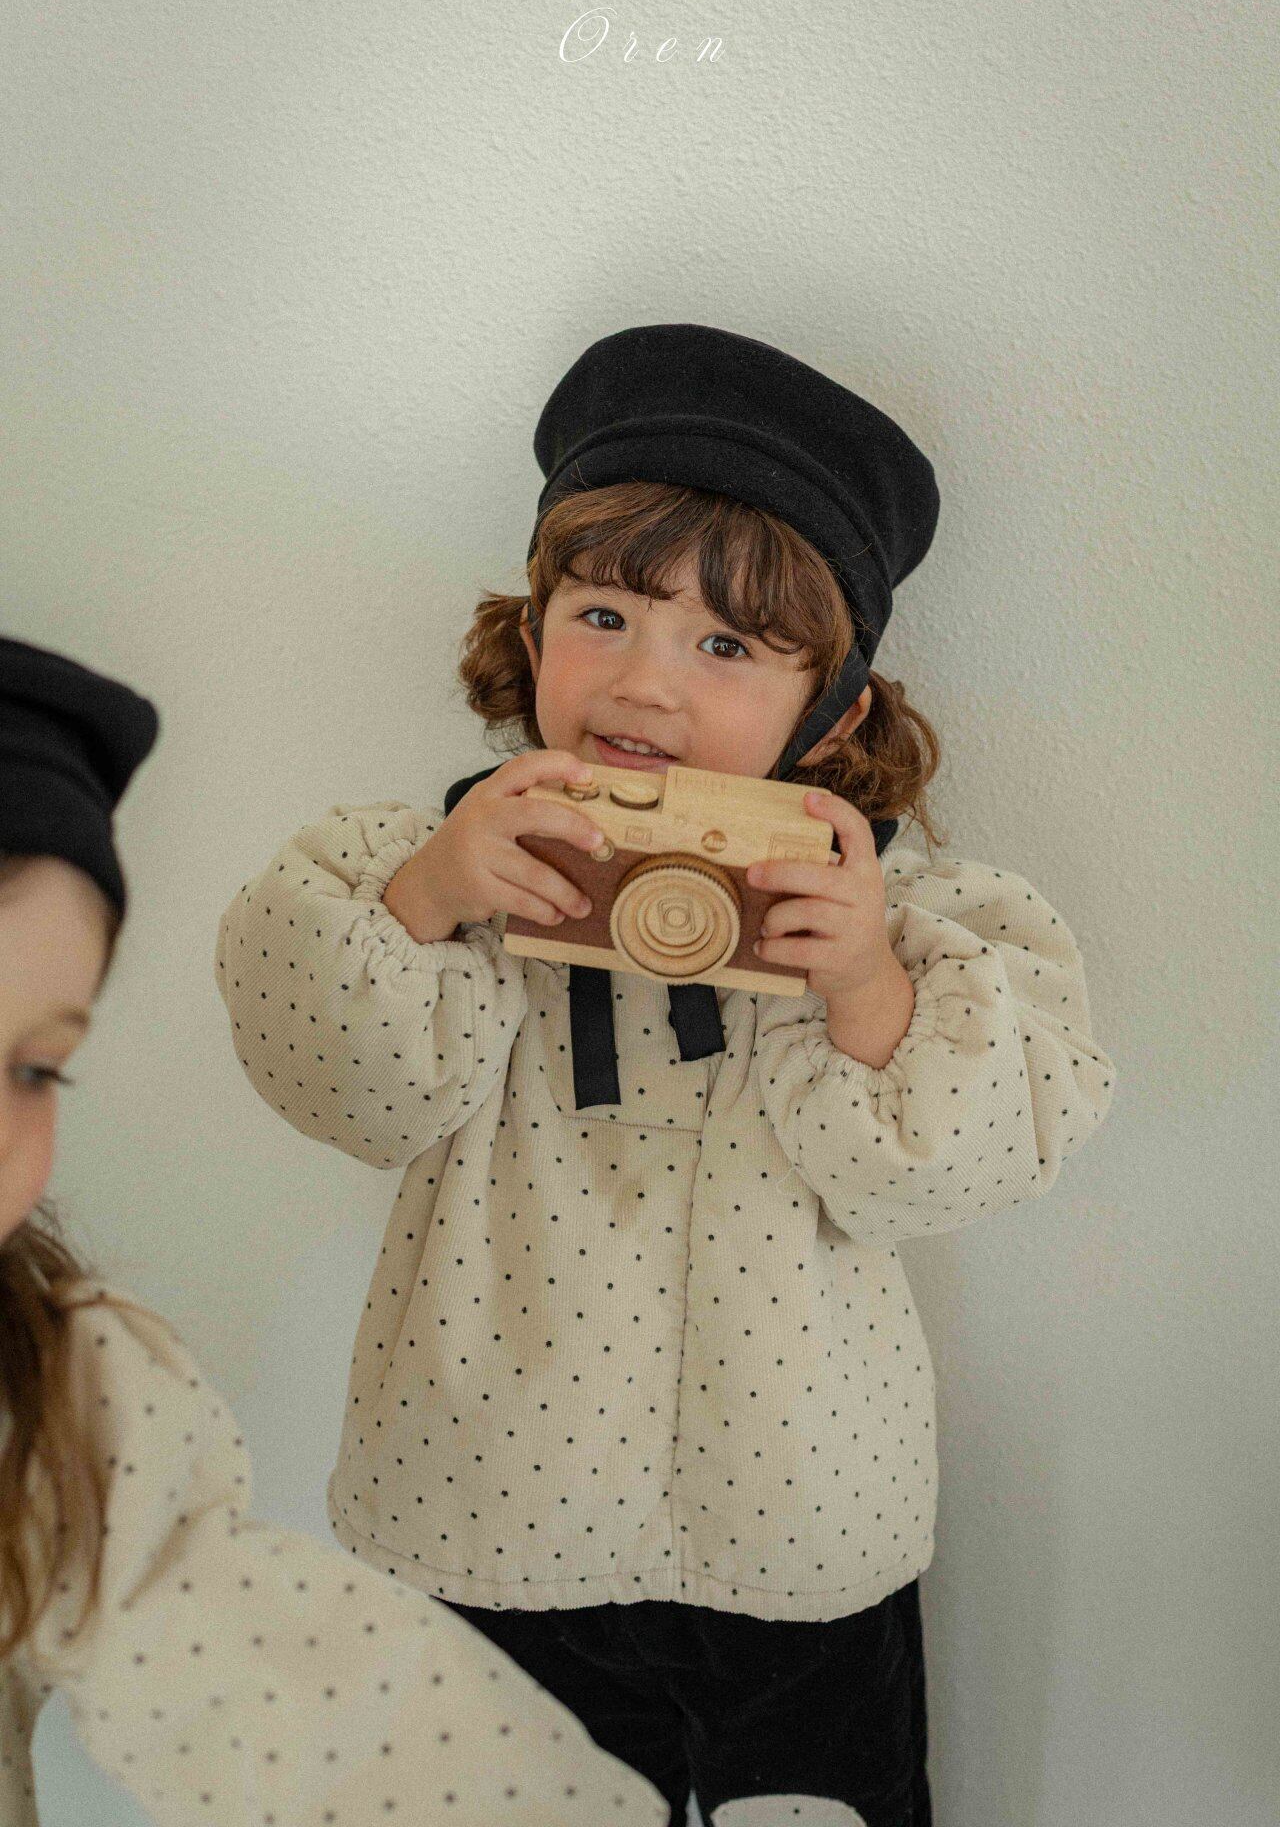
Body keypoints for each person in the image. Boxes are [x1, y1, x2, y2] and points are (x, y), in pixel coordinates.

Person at [215, 323, 1118, 1825]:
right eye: (603, 615)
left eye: (727, 647)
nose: (646, 683)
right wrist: (431, 894)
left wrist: (864, 983)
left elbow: (968, 1161)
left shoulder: (905, 920)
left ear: (835, 708)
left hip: (798, 1527)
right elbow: (338, 1084)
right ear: (531, 633)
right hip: (490, 1512)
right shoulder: (416, 869)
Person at [0, 634, 669, 1825]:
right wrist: (421, 899)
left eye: (35, 1070)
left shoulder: (53, 1404)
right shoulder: (380, 878)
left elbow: (317, 1698)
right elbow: (338, 1065)